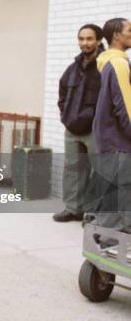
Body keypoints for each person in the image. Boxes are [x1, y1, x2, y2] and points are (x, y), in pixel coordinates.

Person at [54, 24, 104, 222]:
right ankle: (73, 209)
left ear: (99, 40)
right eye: (81, 39)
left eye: (89, 39)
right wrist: (65, 116)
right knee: (73, 170)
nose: (85, 43)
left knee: (99, 171)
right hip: (72, 128)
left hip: (95, 130)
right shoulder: (74, 67)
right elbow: (62, 93)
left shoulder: (104, 65)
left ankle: (93, 213)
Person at [92, 17, 131, 234]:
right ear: (116, 35)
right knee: (116, 201)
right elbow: (125, 109)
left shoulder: (109, 62)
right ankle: (103, 255)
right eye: (129, 29)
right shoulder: (118, 63)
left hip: (110, 142)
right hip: (119, 144)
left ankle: (103, 249)